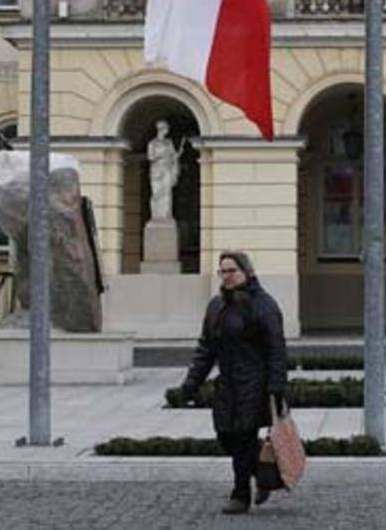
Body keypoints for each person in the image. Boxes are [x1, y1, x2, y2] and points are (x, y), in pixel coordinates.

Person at [180, 251, 287, 515]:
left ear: (246, 272)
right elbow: (206, 349)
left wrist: (276, 387)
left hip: (254, 384)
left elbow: (276, 350)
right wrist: (190, 384)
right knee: (225, 436)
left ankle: (240, 495)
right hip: (227, 384)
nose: (226, 276)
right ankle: (264, 474)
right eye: (222, 271)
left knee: (242, 438)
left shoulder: (264, 305)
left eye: (231, 271)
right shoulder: (216, 306)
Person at [147, 120, 185, 220]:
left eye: (166, 129)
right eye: (165, 129)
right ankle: (156, 215)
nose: (166, 131)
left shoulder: (169, 143)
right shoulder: (153, 143)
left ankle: (166, 215)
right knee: (156, 193)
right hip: (156, 171)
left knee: (167, 193)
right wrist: (162, 155)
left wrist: (178, 154)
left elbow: (173, 156)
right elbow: (150, 157)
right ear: (160, 129)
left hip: (167, 170)